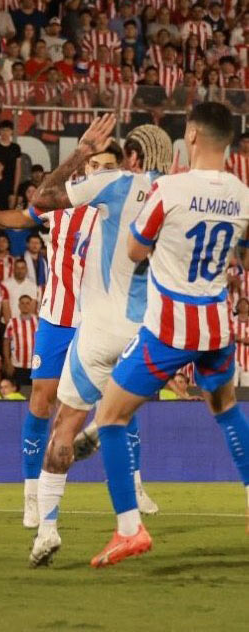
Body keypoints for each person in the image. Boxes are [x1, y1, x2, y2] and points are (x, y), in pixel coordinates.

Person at [86, 102, 249, 567]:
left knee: (111, 415)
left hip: (172, 328)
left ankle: (129, 529)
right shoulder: (241, 194)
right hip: (217, 325)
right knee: (226, 409)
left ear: (191, 137)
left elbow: (136, 249)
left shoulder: (169, 189)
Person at [24, 116, 172, 567]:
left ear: (131, 156)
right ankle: (105, 443)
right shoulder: (178, 198)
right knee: (120, 415)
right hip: (147, 332)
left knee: (62, 427)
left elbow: (43, 199)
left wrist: (83, 152)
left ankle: (46, 529)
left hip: (98, 332)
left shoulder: (115, 183)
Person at [0, 141, 125, 530]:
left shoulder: (119, 209)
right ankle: (31, 492)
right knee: (41, 401)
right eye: (95, 165)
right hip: (58, 318)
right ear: (84, 169)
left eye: (108, 166)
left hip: (99, 321)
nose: (100, 172)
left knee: (111, 399)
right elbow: (23, 215)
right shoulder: (62, 204)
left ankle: (124, 489)